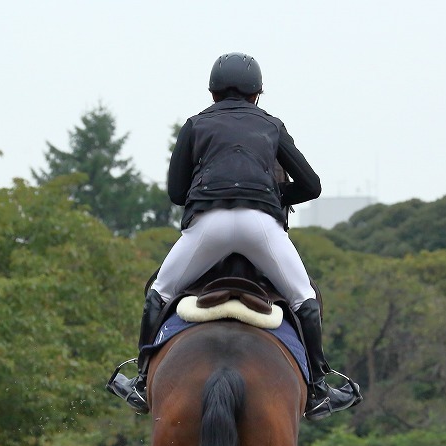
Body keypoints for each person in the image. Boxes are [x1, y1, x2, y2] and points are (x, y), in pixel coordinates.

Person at [108, 52, 361, 419]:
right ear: (257, 94)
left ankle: (142, 380)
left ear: (212, 94)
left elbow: (177, 194)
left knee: (159, 292)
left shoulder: (195, 125)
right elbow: (312, 185)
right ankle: (320, 388)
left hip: (209, 226)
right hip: (260, 225)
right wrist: (274, 195)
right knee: (304, 296)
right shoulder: (271, 125)